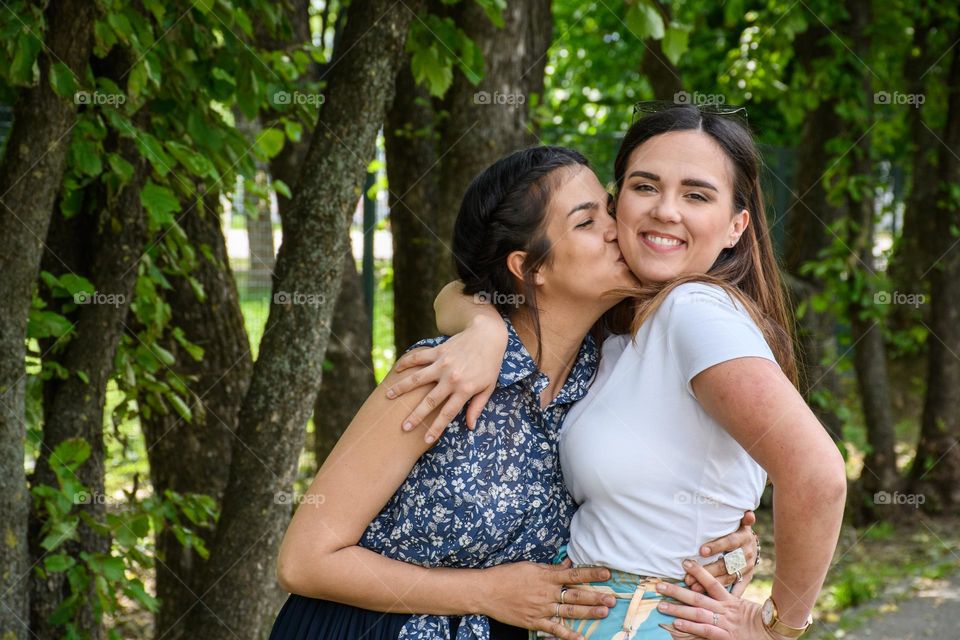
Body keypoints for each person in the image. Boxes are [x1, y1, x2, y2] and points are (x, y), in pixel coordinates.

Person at [386, 104, 847, 639]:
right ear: (616, 201)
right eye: (645, 186)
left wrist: (777, 625)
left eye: (697, 195)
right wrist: (484, 329)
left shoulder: (694, 311)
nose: (666, 211)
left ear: (735, 227)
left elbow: (817, 474)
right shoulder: (617, 328)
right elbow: (461, 291)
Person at [270, 145, 757, 640]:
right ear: (531, 268)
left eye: (610, 210)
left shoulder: (611, 372)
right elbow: (305, 561)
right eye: (587, 223)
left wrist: (729, 547)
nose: (618, 228)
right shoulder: (443, 372)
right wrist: (483, 592)